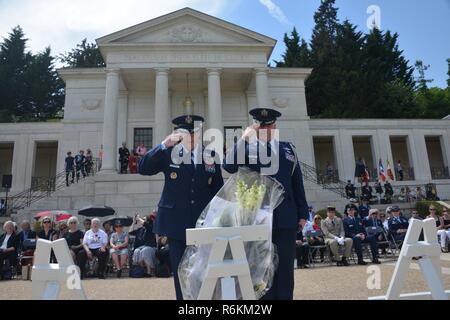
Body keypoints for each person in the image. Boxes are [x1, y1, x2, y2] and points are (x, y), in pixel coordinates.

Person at [223, 107, 309, 300]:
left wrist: (303, 213)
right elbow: (228, 166)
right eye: (260, 126)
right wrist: (244, 138)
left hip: (286, 217)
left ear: (274, 126)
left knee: (285, 270)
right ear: (254, 126)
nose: (264, 130)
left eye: (268, 126)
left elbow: (297, 182)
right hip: (256, 218)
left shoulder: (288, 148)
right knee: (260, 268)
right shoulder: (246, 148)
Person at [139, 114, 224, 300]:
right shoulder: (168, 153)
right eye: (187, 134)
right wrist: (163, 144)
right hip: (176, 223)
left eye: (195, 133)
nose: (191, 137)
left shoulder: (210, 156)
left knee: (204, 271)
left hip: (203, 223)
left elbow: (218, 189)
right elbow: (143, 168)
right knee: (181, 272)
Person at [129, 213, 157, 277]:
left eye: (145, 220)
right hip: (141, 248)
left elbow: (145, 224)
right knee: (136, 251)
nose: (143, 221)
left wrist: (138, 219)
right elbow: (130, 232)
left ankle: (149, 271)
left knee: (145, 250)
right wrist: (133, 222)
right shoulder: (140, 230)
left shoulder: (151, 227)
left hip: (151, 247)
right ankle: (141, 270)